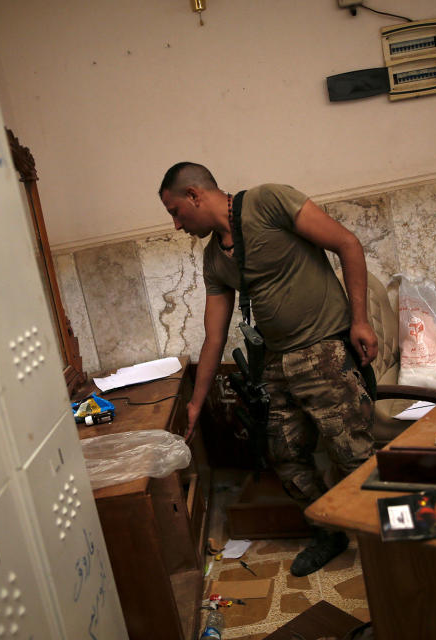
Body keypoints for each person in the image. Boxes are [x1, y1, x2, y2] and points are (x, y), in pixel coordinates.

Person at [158, 162, 378, 576]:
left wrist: (361, 320)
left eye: (175, 211)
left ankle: (391, 544)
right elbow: (214, 337)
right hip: (278, 362)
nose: (175, 224)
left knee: (355, 455)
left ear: (194, 195)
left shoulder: (267, 201)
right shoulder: (213, 260)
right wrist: (195, 403)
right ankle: (328, 533)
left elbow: (347, 243)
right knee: (284, 454)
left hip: (324, 348)